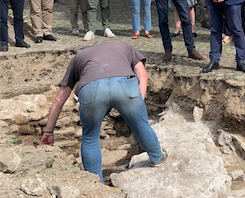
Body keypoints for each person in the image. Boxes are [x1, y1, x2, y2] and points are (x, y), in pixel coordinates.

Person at [38, 41, 167, 182]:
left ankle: (95, 182)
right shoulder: (123, 45)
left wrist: (48, 132)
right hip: (125, 86)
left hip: (91, 90)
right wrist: (139, 103)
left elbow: (59, 99)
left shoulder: (80, 56)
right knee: (141, 125)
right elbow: (142, 75)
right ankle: (157, 157)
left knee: (90, 138)